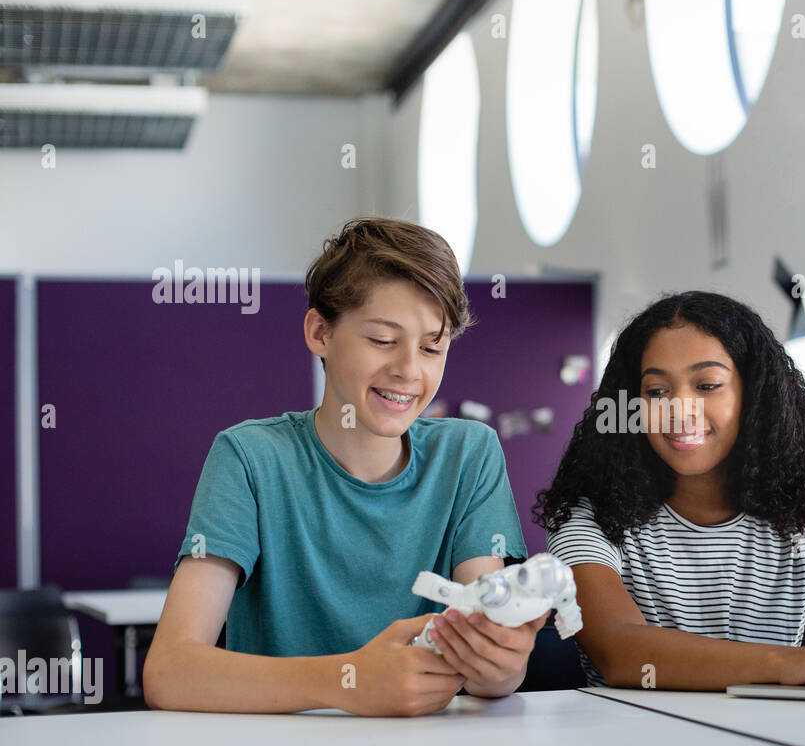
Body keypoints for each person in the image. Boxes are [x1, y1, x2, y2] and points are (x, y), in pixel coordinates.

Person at [143, 217, 546, 716]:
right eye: (382, 339)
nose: (409, 370)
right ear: (320, 332)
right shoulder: (250, 458)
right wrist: (350, 682)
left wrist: (501, 660)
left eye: (432, 347)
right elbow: (170, 672)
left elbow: (492, 680)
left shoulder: (469, 455)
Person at [536, 291, 805, 689]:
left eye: (707, 385)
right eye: (657, 392)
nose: (680, 408)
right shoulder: (593, 519)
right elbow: (619, 653)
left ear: (753, 398)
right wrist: (790, 662)